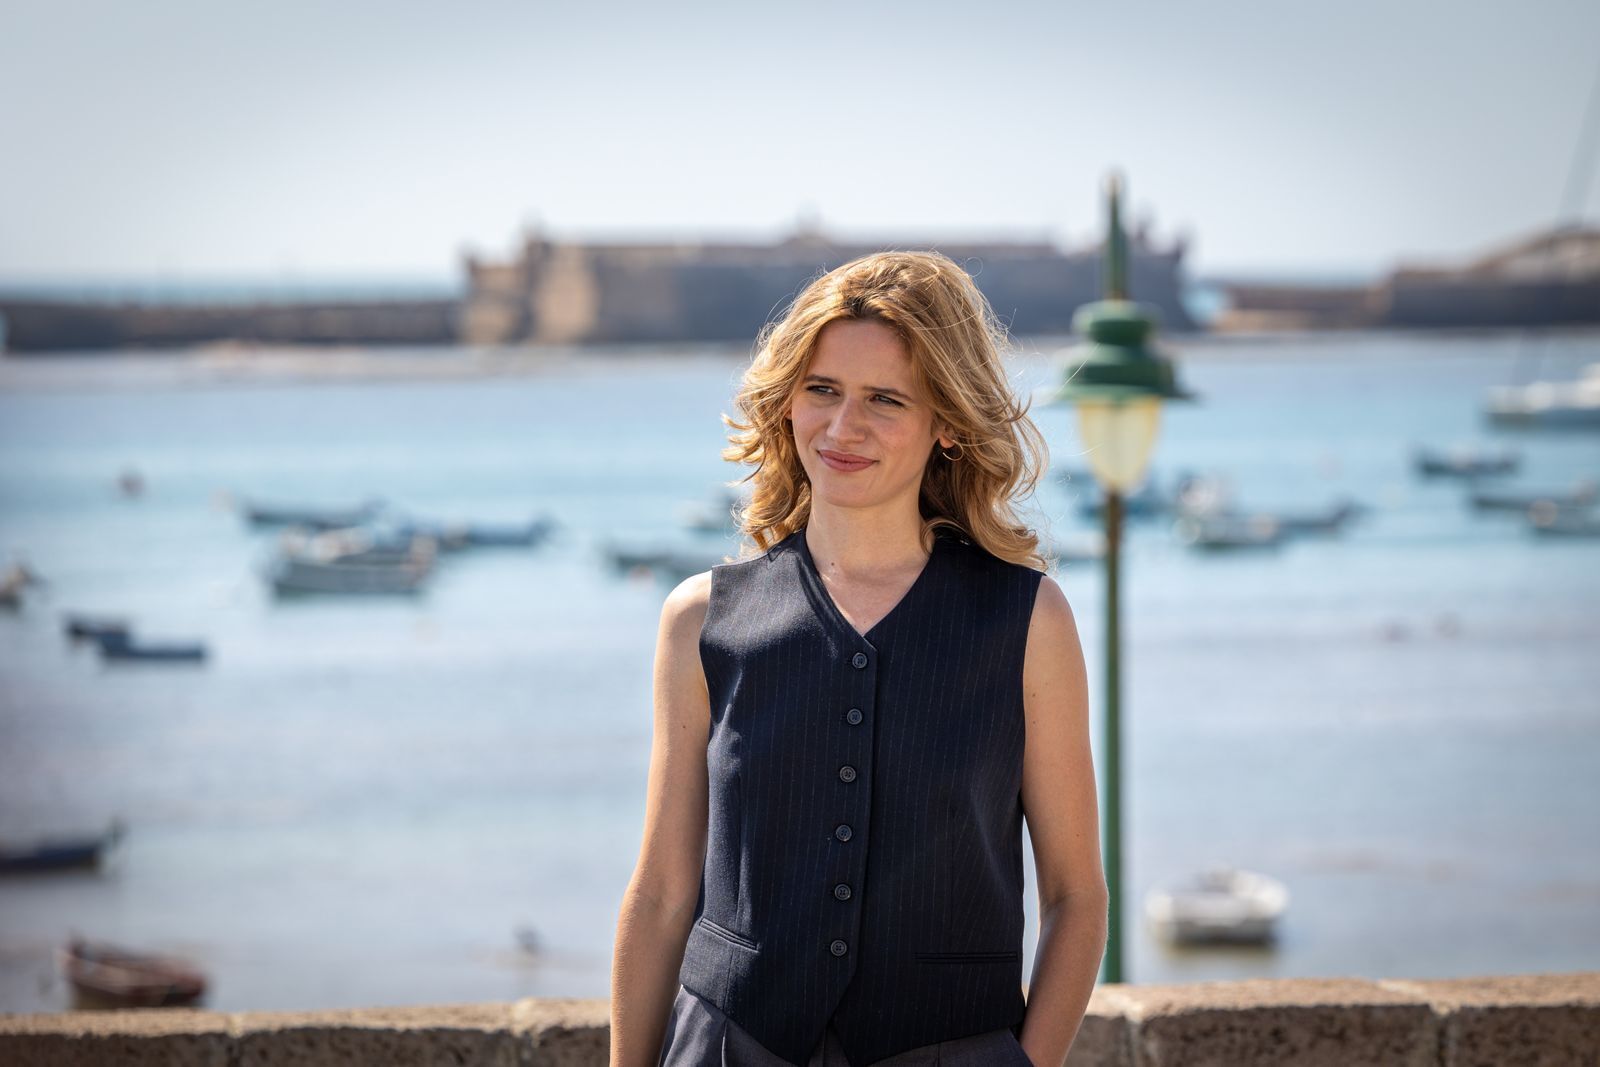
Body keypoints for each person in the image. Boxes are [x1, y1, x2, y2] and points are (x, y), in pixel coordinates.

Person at [611, 251, 1108, 1067]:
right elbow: (664, 894)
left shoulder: (1026, 620)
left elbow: (1077, 897)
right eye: (822, 390)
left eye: (885, 399)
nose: (843, 428)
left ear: (947, 421)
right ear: (786, 401)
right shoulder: (701, 620)